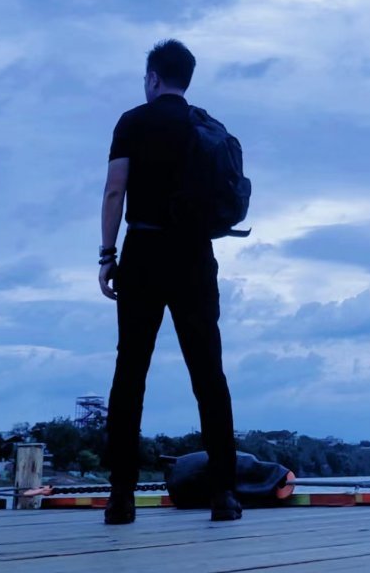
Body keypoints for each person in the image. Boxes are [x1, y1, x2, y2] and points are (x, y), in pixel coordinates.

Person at [99, 38, 241, 525]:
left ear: (153, 77)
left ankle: (121, 496)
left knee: (130, 371)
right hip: (195, 255)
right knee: (208, 373)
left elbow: (115, 189)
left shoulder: (133, 122)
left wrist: (107, 254)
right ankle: (224, 494)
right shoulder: (206, 126)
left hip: (143, 249)